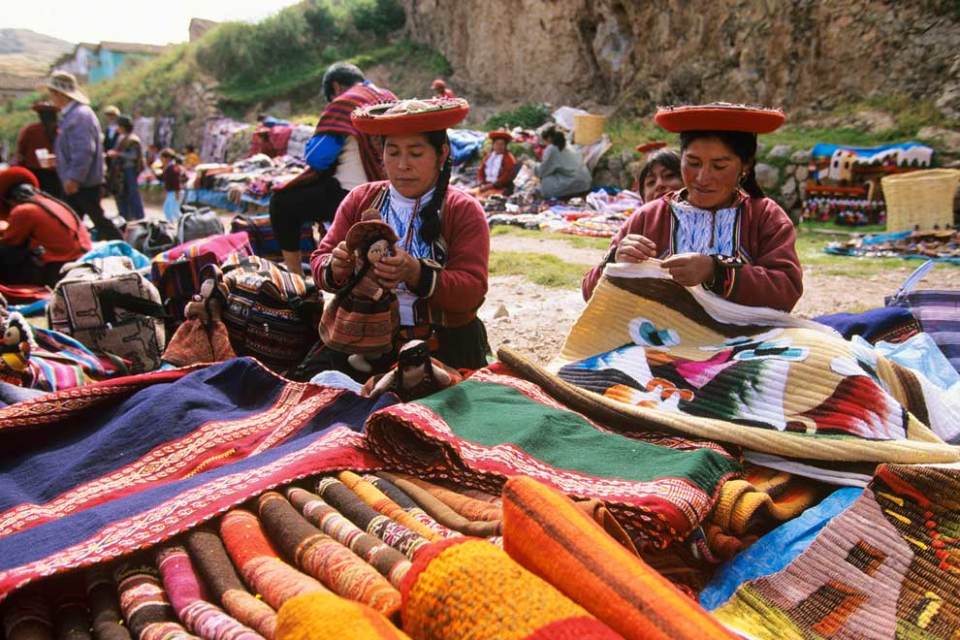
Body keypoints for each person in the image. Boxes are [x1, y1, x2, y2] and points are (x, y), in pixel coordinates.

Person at [312, 97, 490, 377]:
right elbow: (320, 260)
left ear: (441, 154)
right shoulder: (361, 199)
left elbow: (471, 291)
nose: (402, 165)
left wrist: (415, 272)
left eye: (416, 153)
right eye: (392, 152)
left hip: (442, 345)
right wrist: (336, 267)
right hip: (359, 338)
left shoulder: (462, 209)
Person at [581, 104, 803, 312]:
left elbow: (787, 289)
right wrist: (615, 260)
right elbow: (589, 292)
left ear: (745, 166)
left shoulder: (764, 216)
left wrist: (714, 271)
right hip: (662, 343)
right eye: (693, 163)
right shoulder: (649, 217)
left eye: (719, 166)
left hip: (747, 344)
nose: (703, 178)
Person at [270, 62, 396, 276]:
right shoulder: (388, 96)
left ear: (336, 87)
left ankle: (295, 277)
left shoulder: (346, 102)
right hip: (390, 192)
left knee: (281, 202)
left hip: (353, 195)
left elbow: (318, 158)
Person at [46, 71, 122, 241]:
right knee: (71, 222)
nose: (50, 97)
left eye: (52, 93)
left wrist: (74, 178)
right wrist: (59, 160)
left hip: (83, 183)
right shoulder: (74, 115)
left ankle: (124, 250)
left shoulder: (79, 116)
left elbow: (84, 150)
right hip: (81, 181)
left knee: (93, 220)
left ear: (60, 94)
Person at [0, 167, 92, 287]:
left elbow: (11, 243)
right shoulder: (53, 203)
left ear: (10, 200)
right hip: (81, 260)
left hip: (58, 268)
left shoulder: (23, 210)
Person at [15, 101, 62, 198]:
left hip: (34, 173)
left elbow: (21, 152)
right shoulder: (61, 131)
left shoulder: (30, 130)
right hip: (56, 173)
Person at [531, 126, 592, 199]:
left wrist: (531, 164)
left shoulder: (552, 149)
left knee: (545, 180)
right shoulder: (568, 144)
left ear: (549, 138)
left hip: (574, 184)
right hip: (585, 184)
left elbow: (542, 172)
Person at [106, 115, 145, 221]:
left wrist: (117, 154)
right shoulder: (121, 138)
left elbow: (133, 156)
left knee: (132, 194)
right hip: (121, 171)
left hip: (129, 170)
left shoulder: (132, 139)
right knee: (121, 194)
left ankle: (139, 217)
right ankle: (124, 216)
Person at [475, 130, 517, 196]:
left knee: (480, 198)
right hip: (485, 186)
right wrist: (481, 182)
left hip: (500, 188)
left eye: (501, 144)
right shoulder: (489, 156)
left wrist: (490, 186)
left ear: (505, 146)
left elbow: (506, 176)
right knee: (467, 194)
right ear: (493, 145)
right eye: (497, 144)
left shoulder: (509, 159)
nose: (499, 146)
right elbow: (481, 170)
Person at [156, 148, 184, 223]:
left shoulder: (172, 168)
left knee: (174, 211)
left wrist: (177, 192)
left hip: (175, 192)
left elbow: (176, 181)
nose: (161, 160)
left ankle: (184, 223)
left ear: (167, 158)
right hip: (171, 192)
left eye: (162, 158)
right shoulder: (168, 167)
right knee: (167, 209)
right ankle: (170, 223)